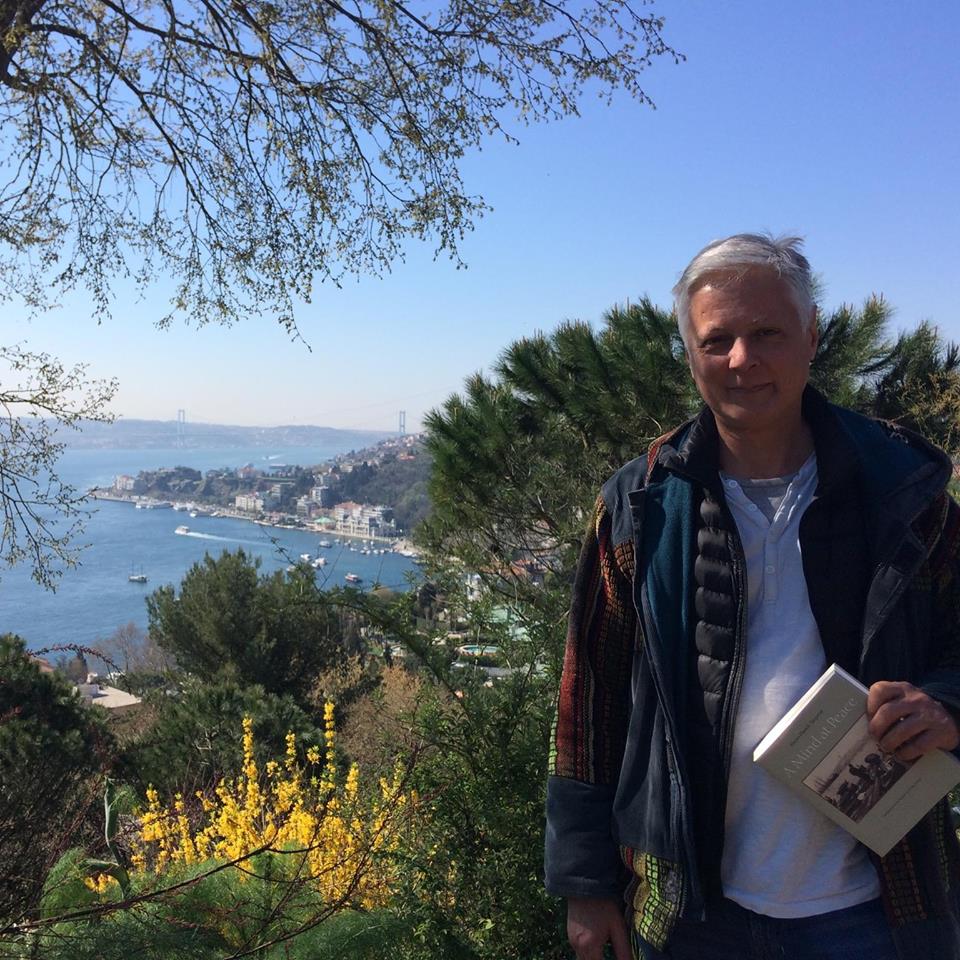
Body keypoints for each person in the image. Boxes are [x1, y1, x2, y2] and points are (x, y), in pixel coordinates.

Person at [544, 234, 960, 960]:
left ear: (812, 335)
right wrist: (586, 883)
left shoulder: (904, 492)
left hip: (876, 908)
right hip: (692, 911)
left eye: (767, 333)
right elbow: (591, 700)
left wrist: (946, 707)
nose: (742, 359)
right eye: (718, 340)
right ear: (691, 355)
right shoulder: (642, 505)